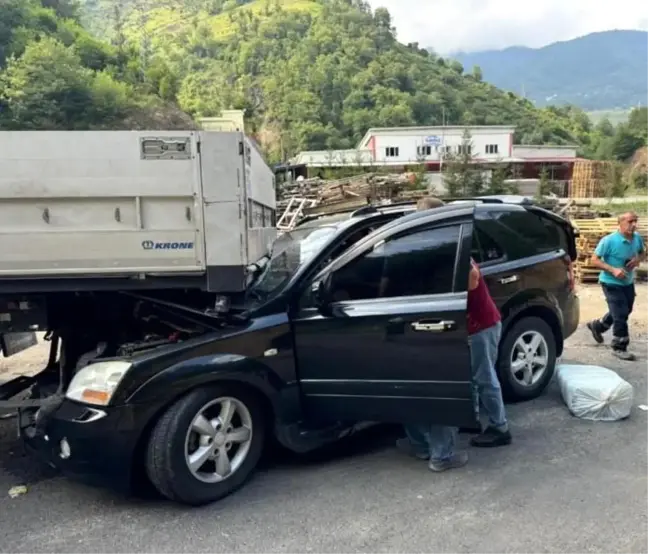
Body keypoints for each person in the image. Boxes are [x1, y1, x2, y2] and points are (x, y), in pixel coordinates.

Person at [396, 196, 511, 471]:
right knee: (467, 381)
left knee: (483, 378)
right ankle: (463, 426)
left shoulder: (453, 244)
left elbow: (471, 279)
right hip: (461, 326)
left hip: (480, 325)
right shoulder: (435, 246)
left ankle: (500, 428)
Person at [586, 211, 644, 361]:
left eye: (635, 221)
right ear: (621, 223)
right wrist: (613, 269)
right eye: (630, 222)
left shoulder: (637, 238)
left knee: (625, 309)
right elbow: (594, 260)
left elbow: (642, 253)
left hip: (627, 282)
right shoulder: (609, 240)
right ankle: (619, 346)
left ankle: (598, 326)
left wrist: (637, 260)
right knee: (620, 314)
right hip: (610, 282)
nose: (633, 225)